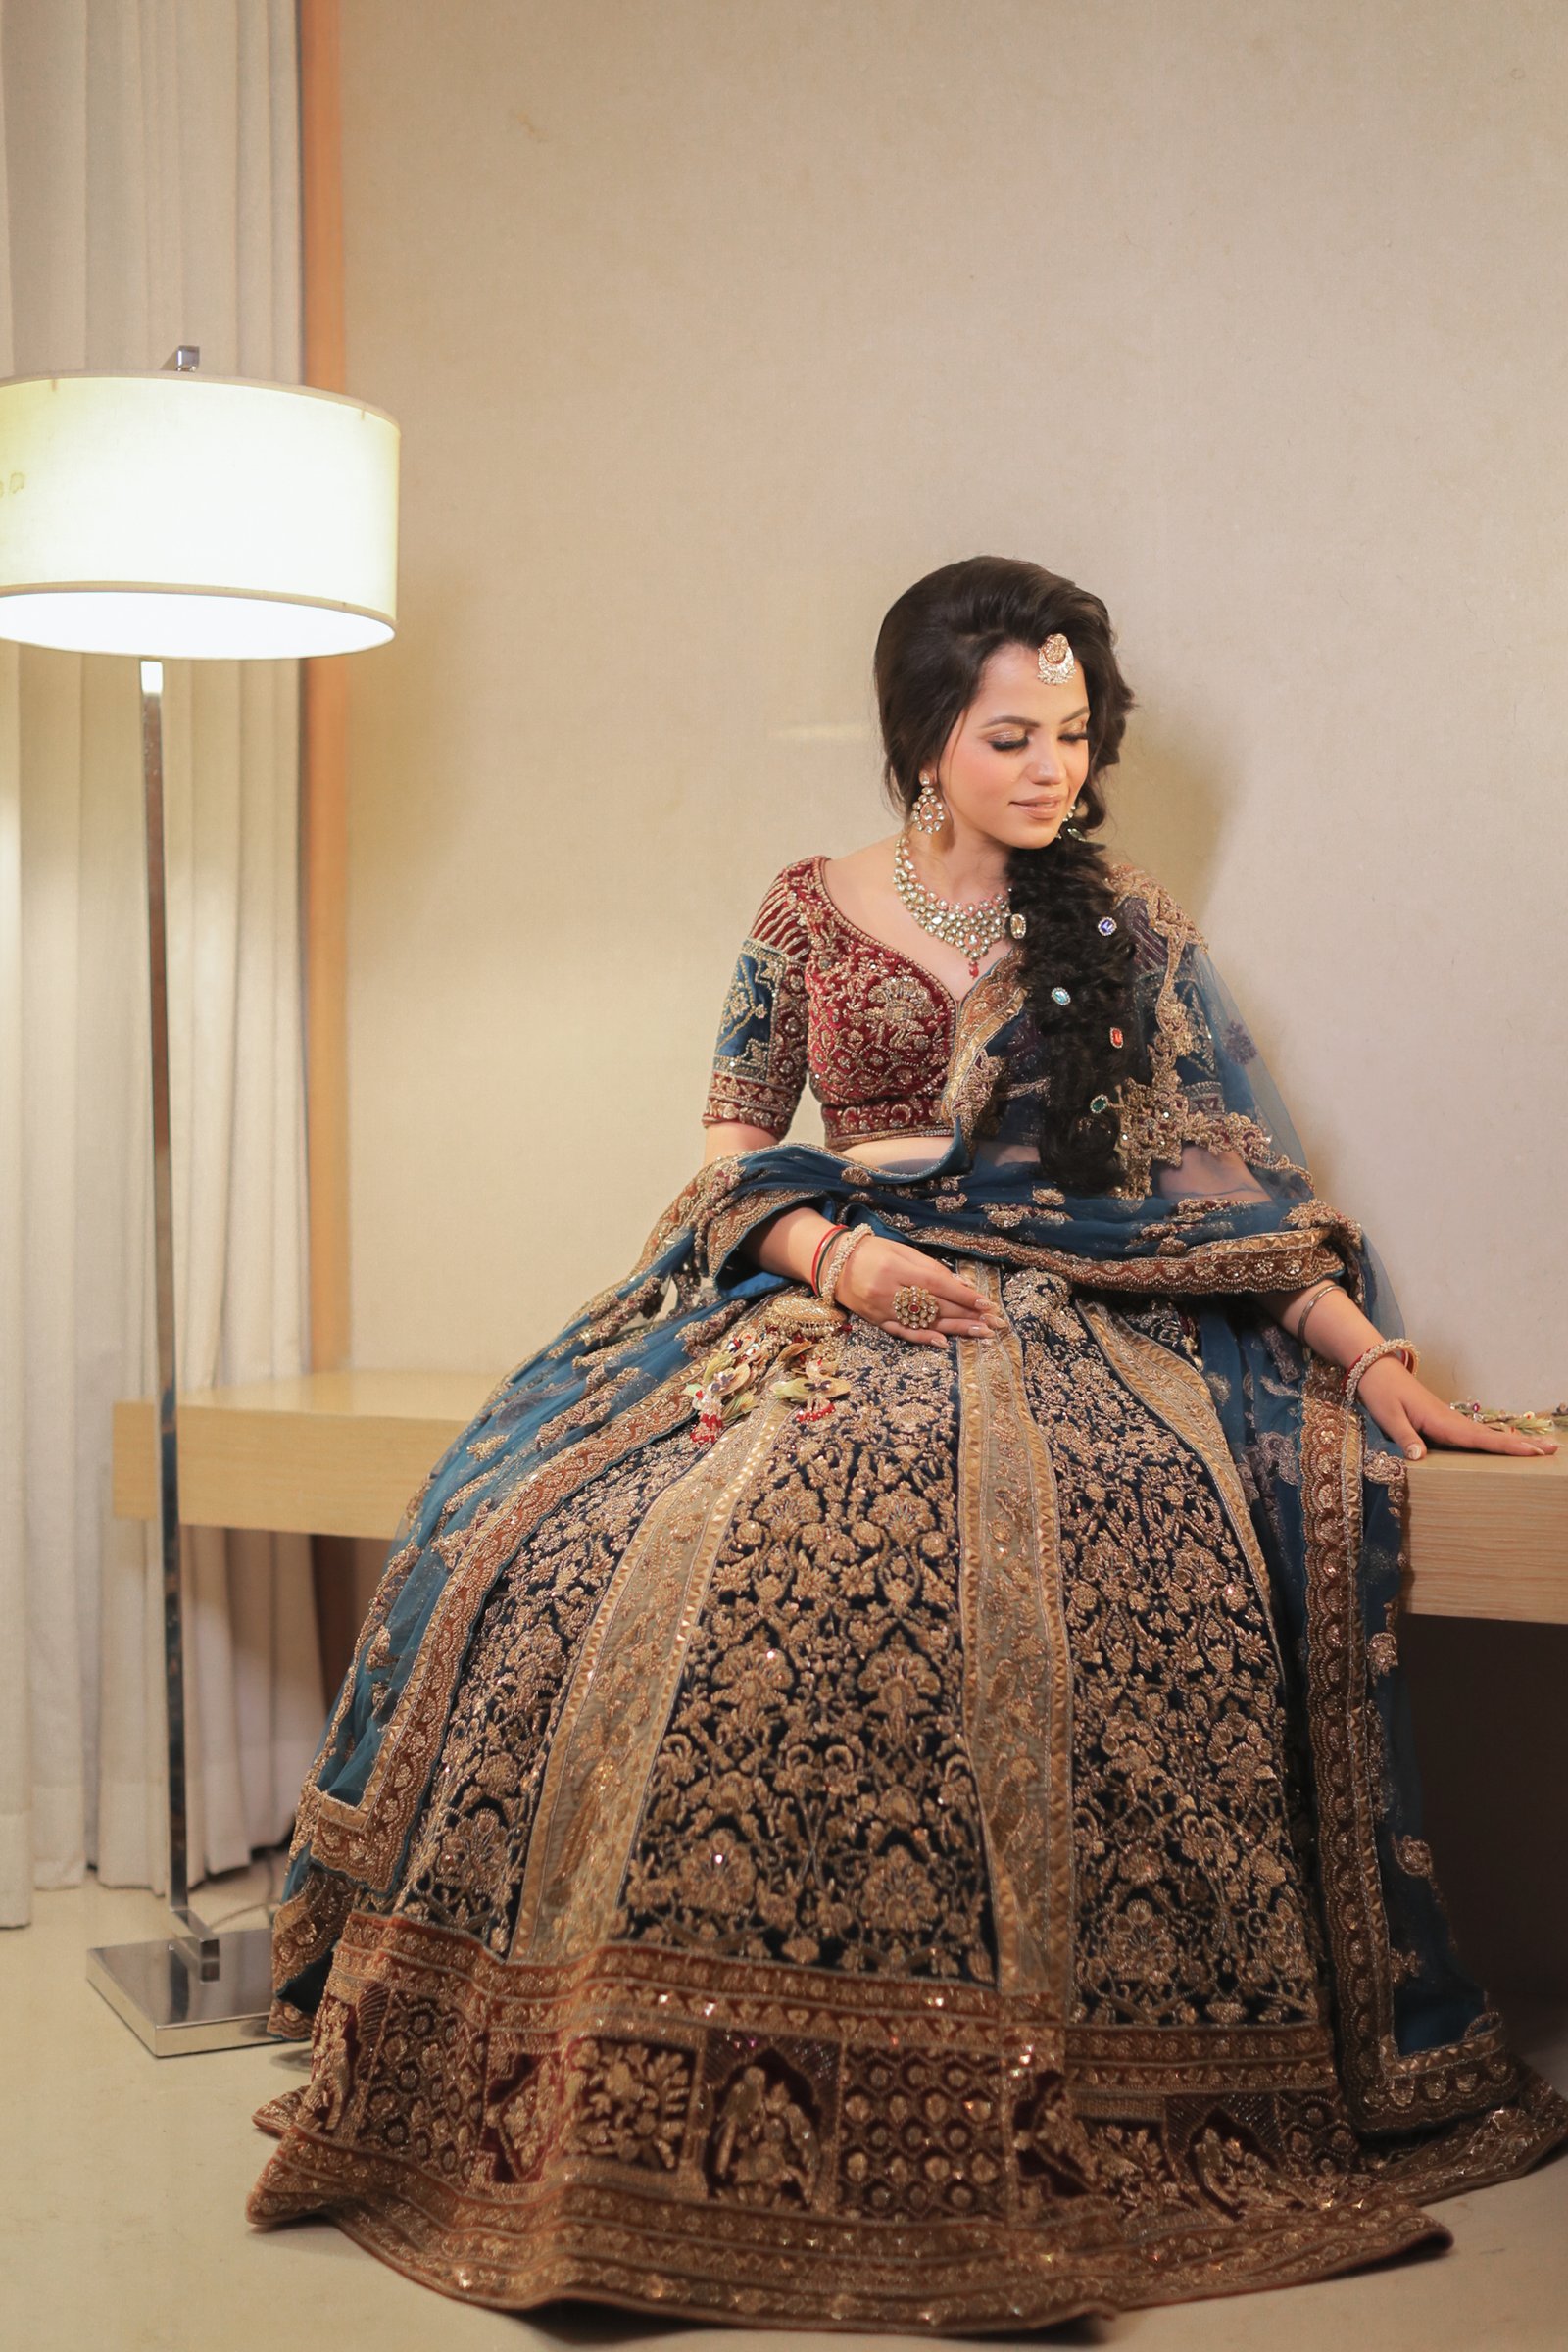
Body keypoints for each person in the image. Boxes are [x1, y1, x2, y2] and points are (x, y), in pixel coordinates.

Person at [247, 556, 1565, 2330]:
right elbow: (728, 1159)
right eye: (1012, 736)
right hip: (829, 1286)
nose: (1051, 769)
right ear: (923, 737)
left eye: (1073, 735)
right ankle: (610, 2074)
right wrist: (835, 1258)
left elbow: (1222, 1191)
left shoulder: (1126, 929)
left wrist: (1373, 1358)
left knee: (1057, 1527)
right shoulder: (807, 910)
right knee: (617, 1535)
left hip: (1078, 1313)